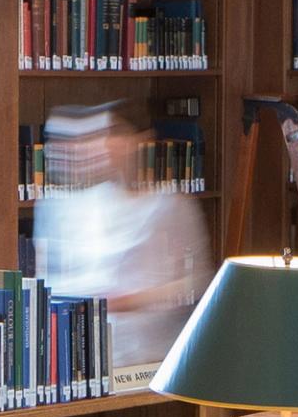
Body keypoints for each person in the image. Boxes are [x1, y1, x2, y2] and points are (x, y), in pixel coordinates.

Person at [33, 102, 211, 373]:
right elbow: (50, 284)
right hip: (83, 352)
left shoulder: (171, 205)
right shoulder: (69, 207)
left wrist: (129, 300)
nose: (105, 145)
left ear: (140, 141)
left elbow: (195, 285)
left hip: (151, 355)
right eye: (99, 135)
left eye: (115, 134)